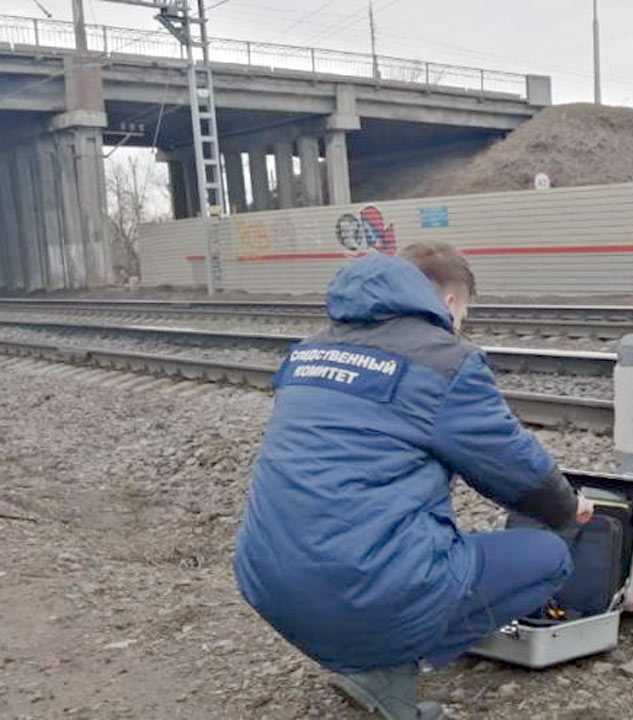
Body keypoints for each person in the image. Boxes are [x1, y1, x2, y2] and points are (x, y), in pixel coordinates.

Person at [233, 242, 594, 720]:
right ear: (448, 303)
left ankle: (368, 658)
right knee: (549, 558)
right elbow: (517, 469)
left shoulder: (309, 351)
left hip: (265, 579)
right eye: (464, 312)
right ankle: (384, 672)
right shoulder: (445, 360)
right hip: (357, 590)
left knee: (400, 543)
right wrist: (568, 511)